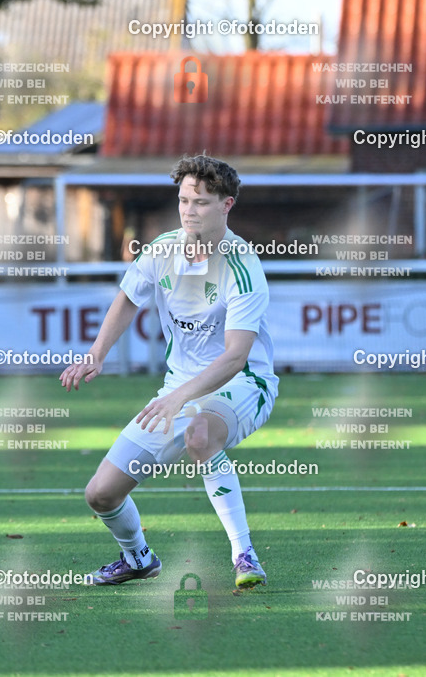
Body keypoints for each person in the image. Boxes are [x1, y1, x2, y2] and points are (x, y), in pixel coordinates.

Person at [60, 154, 278, 589]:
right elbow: (127, 298)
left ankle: (244, 555)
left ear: (226, 205)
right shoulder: (161, 251)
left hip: (243, 384)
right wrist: (97, 353)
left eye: (200, 202)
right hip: (179, 388)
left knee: (200, 434)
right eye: (183, 201)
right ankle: (138, 558)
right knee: (101, 494)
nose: (188, 210)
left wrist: (180, 398)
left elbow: (236, 356)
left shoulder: (241, 265)